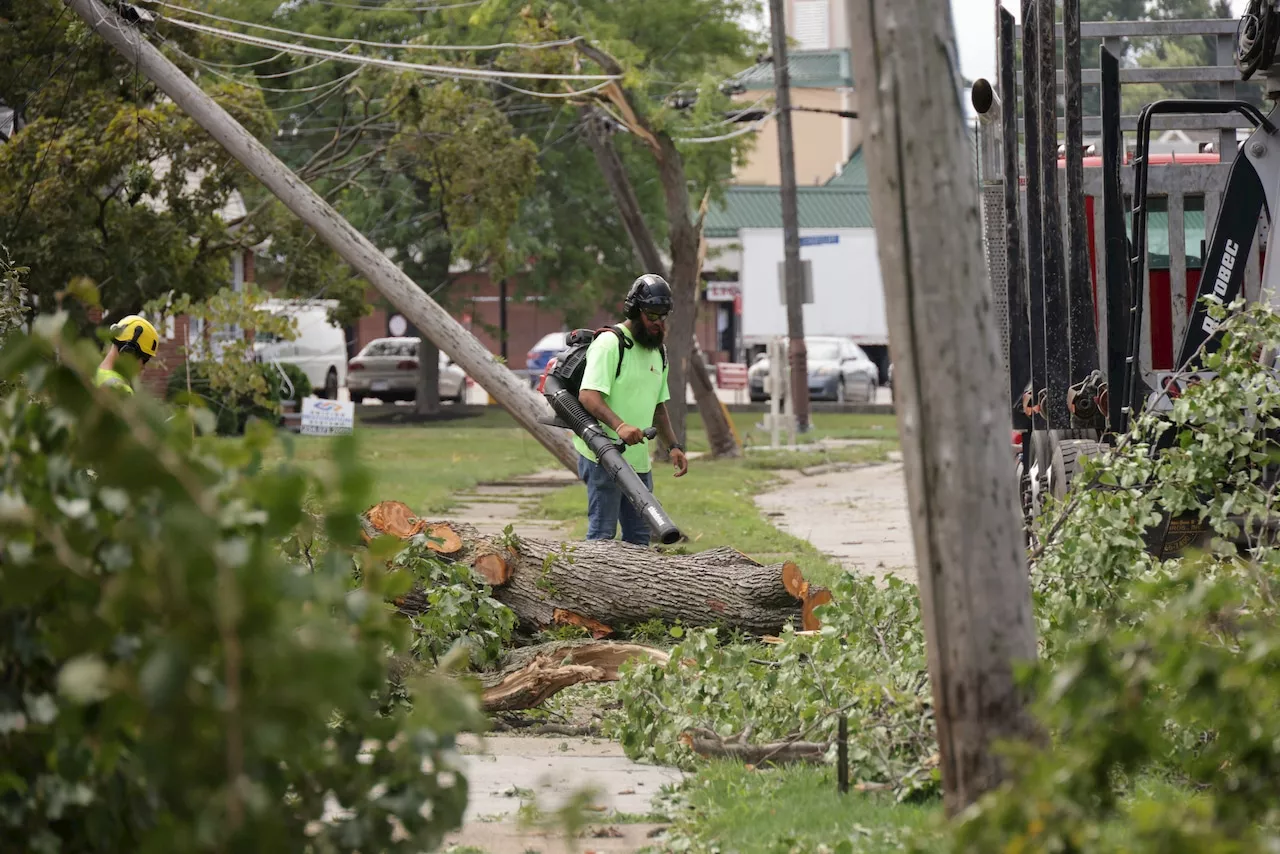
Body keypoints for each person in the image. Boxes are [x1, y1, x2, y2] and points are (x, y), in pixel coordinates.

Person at [575, 274, 690, 546]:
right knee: (603, 534)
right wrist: (620, 425)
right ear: (634, 310)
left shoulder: (658, 352)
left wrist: (673, 445)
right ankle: (591, 587)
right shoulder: (611, 344)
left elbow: (658, 407)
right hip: (602, 455)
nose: (658, 322)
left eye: (663, 315)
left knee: (639, 537)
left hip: (638, 461)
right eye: (652, 315)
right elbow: (588, 395)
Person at [94, 314, 160, 394]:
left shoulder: (92, 375)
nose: (143, 367)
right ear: (128, 352)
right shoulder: (120, 390)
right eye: (144, 360)